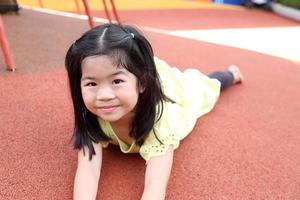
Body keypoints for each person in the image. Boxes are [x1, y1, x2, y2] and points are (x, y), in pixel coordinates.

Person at [65, 23, 244, 200]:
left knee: (203, 87)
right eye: (91, 84)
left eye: (116, 81)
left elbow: (156, 186)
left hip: (174, 94)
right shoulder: (90, 115)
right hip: (142, 80)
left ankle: (230, 74)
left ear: (142, 83)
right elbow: (87, 170)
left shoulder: (162, 121)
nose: (103, 95)